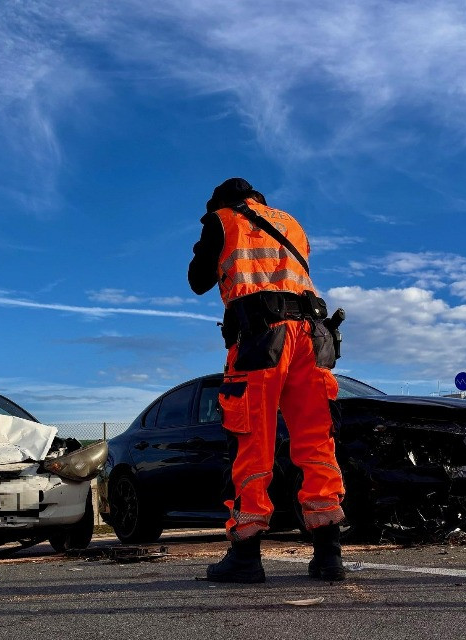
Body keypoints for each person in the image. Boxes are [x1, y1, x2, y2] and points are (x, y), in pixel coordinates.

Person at [188, 177, 346, 583]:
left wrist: (205, 239)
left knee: (251, 441)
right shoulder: (291, 222)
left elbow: (198, 280)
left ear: (221, 202)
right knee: (316, 442)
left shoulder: (222, 220)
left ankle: (245, 555)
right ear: (258, 199)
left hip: (261, 337)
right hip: (312, 336)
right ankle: (329, 554)